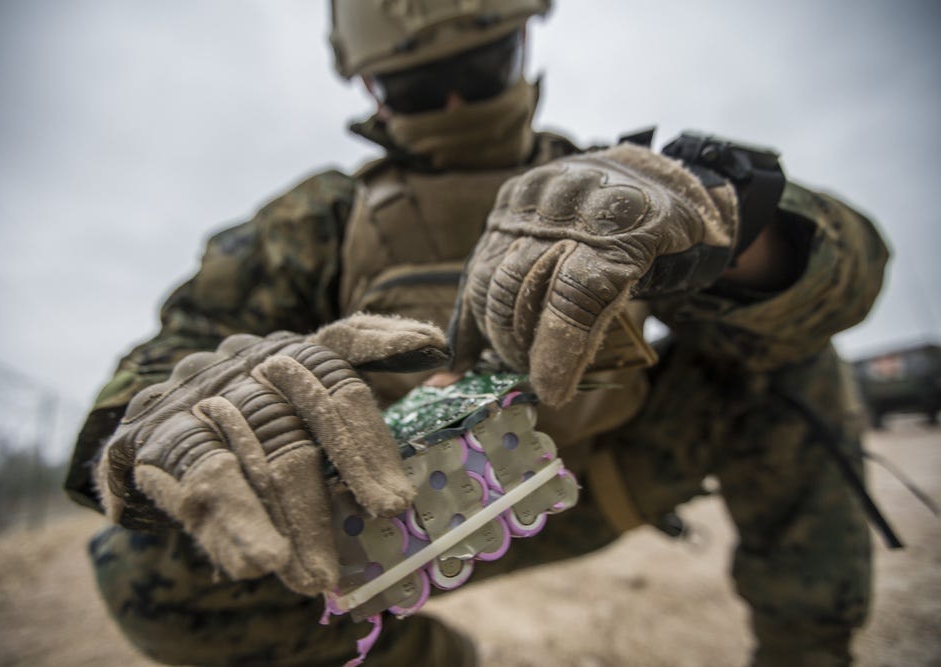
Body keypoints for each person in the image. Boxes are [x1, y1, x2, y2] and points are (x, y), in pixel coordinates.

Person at [64, 1, 889, 665]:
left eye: (475, 69)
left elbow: (846, 278)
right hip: (400, 522)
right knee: (152, 576)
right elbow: (166, 360)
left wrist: (726, 226)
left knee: (788, 358)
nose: (456, 103)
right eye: (425, 86)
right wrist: (164, 414)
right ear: (376, 90)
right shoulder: (313, 224)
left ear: (524, 45)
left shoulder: (606, 184)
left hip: (604, 471)